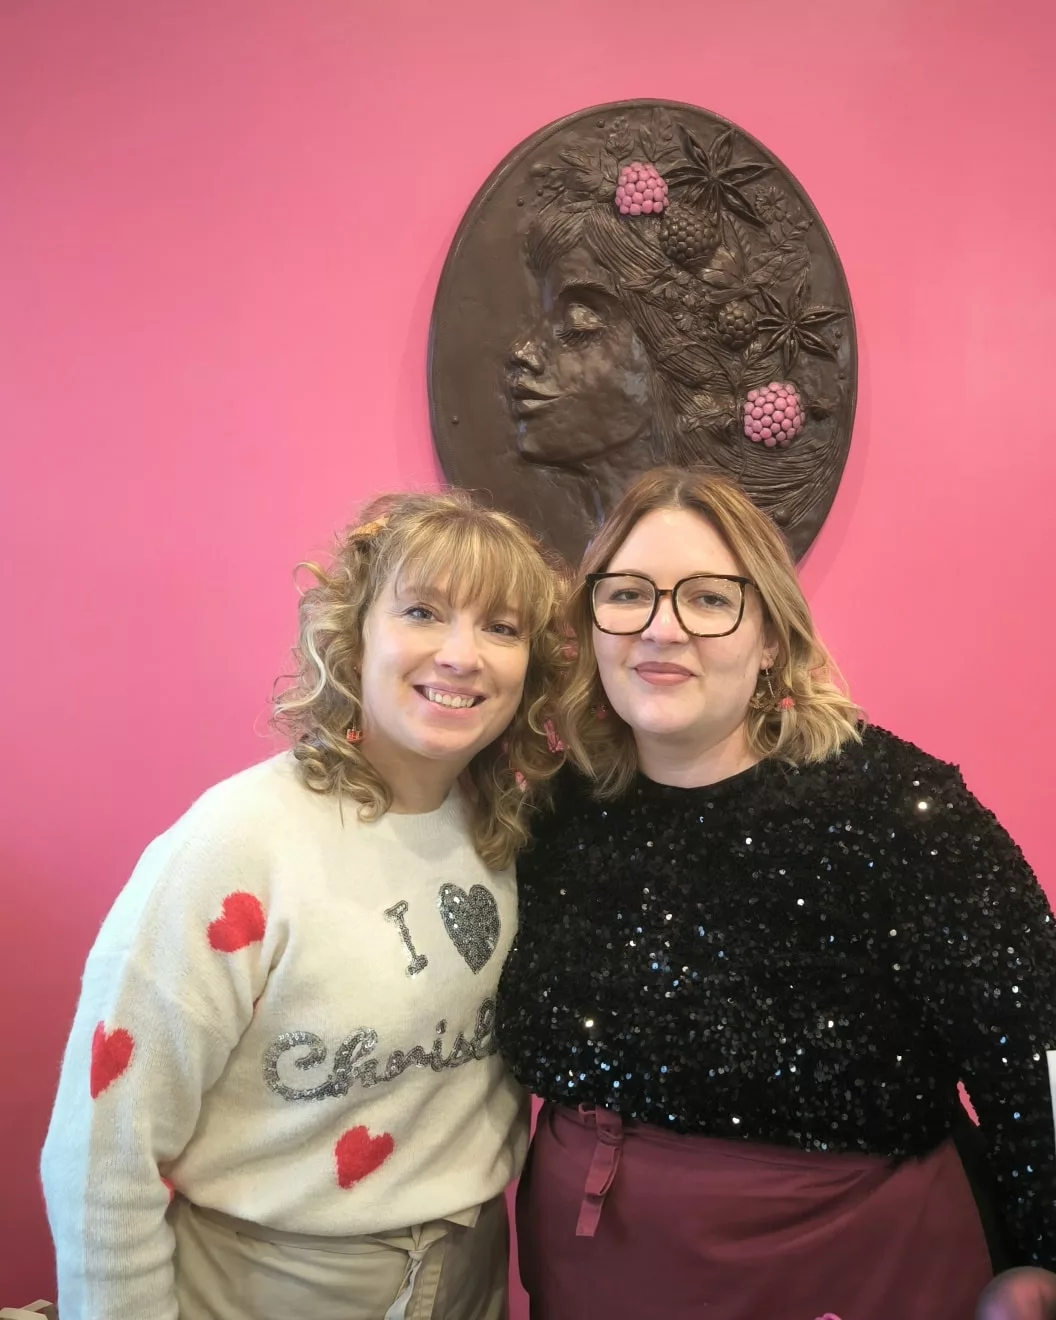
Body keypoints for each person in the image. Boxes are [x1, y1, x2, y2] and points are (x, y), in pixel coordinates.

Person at [495, 467, 1056, 1320]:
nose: (661, 629)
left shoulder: (898, 811)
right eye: (628, 594)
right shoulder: (551, 812)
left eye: (709, 599)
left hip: (854, 1277)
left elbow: (1034, 1055)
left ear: (769, 638)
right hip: (592, 1281)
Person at [41, 490, 567, 1320]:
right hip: (264, 1287)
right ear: (354, 634)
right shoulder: (238, 841)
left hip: (471, 1275)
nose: (462, 654)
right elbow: (105, 1148)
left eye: (501, 627)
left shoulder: (509, 833)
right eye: (423, 612)